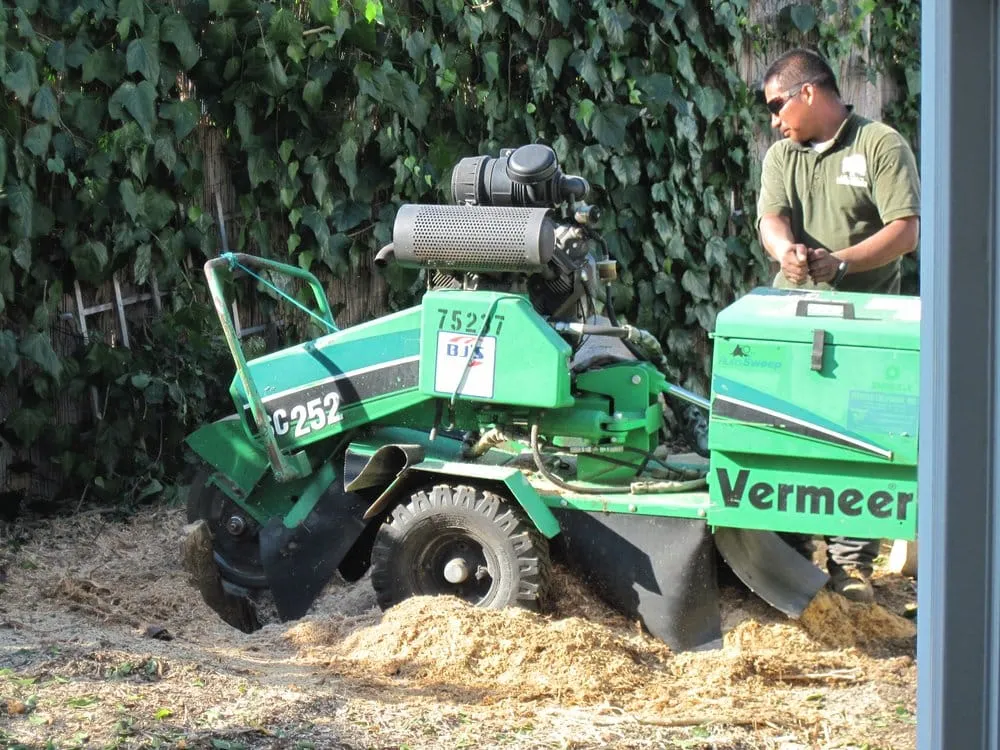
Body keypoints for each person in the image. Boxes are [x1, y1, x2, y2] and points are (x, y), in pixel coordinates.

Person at [756, 48, 920, 602]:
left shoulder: (879, 144)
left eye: (779, 105)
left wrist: (843, 261)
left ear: (808, 93)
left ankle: (853, 568)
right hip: (793, 315)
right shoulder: (783, 155)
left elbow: (905, 230)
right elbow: (771, 219)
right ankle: (792, 556)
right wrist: (786, 253)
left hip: (868, 321)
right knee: (784, 430)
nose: (775, 119)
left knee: (861, 439)